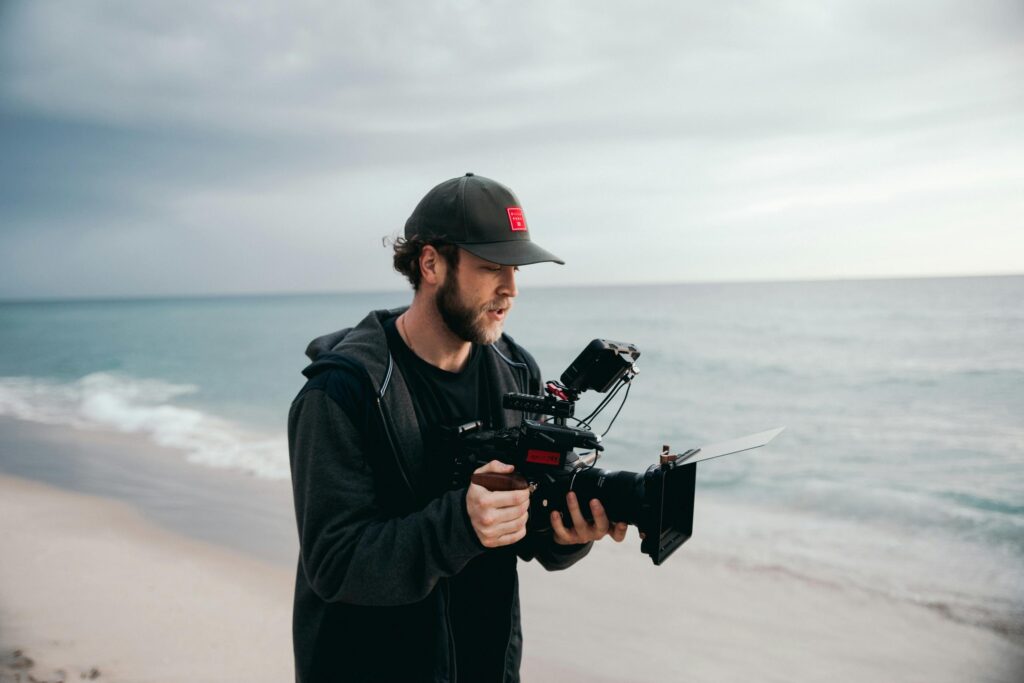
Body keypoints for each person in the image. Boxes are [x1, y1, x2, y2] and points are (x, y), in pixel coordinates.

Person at [288, 173, 627, 682]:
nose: (510, 289)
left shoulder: (517, 372)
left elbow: (528, 531)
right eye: (491, 268)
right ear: (431, 264)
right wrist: (462, 524)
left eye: (515, 269)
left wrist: (569, 532)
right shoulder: (341, 393)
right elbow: (334, 565)